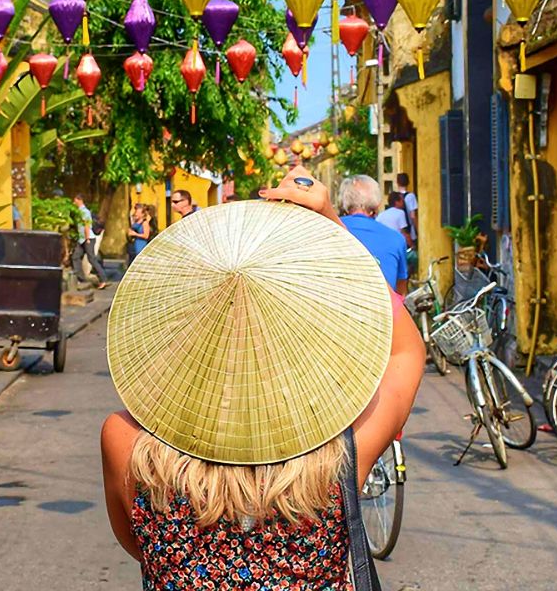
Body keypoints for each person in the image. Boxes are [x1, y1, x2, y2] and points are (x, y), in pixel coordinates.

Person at [100, 167, 424, 589]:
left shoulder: (124, 440)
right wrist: (330, 223)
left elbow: (138, 547)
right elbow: (405, 349)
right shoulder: (340, 455)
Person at [338, 175, 410, 294]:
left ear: (344, 202)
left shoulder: (329, 229)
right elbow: (400, 290)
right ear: (377, 204)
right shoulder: (396, 239)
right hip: (383, 310)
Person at [72, 194, 108, 290]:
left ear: (79, 200)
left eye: (75, 200)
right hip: (81, 239)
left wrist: (87, 238)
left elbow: (87, 225)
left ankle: (103, 279)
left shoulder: (85, 212)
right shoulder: (79, 211)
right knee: (75, 257)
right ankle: (80, 278)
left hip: (88, 239)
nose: (74, 202)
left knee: (91, 259)